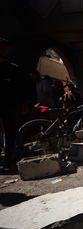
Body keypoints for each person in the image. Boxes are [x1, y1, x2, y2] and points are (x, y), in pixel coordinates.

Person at [0, 37, 25, 168]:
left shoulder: (13, 69)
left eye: (6, 49)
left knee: (10, 132)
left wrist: (25, 103)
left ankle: (8, 158)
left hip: (9, 105)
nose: (5, 51)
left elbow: (20, 88)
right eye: (2, 48)